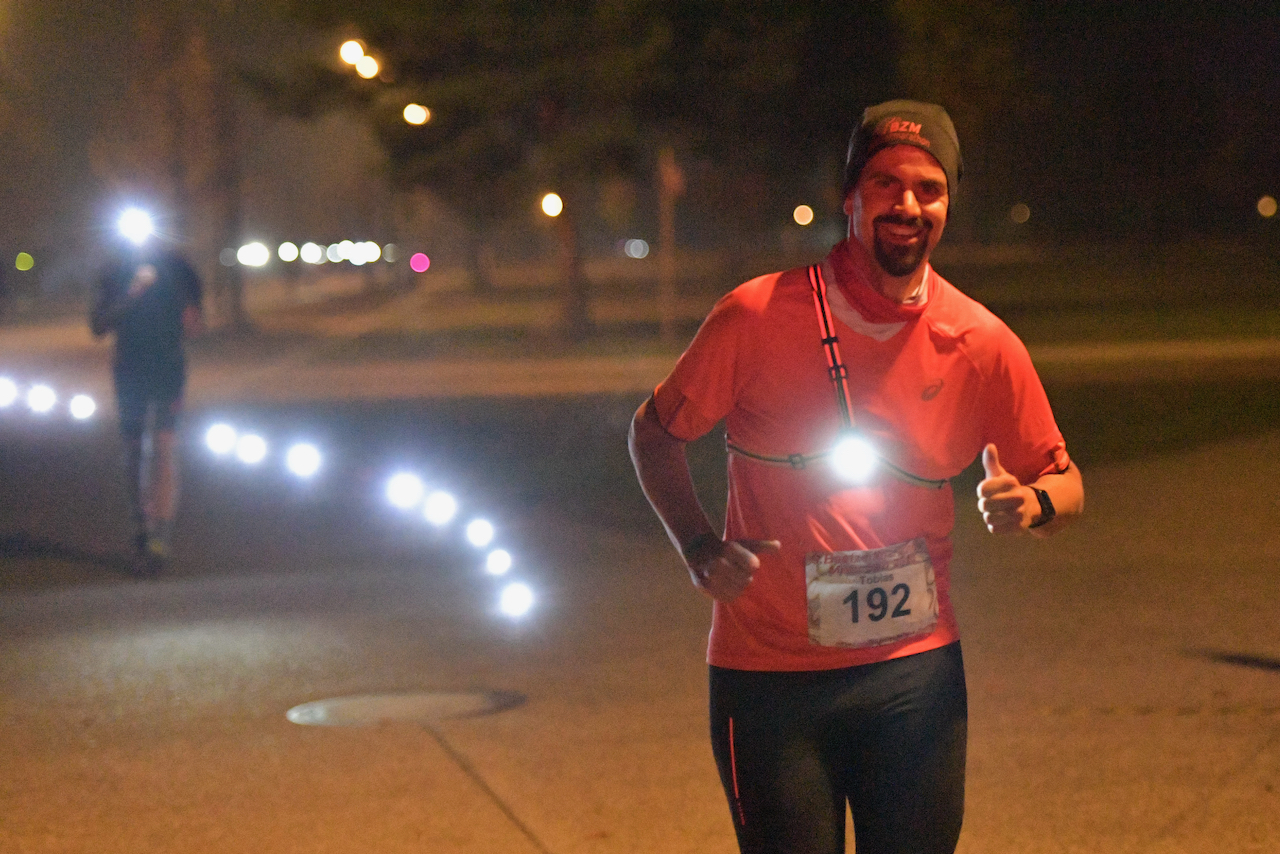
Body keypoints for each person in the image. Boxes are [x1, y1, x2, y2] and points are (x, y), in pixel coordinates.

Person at [628, 100, 1083, 854]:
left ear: (947, 206)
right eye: (885, 184)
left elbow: (1067, 487)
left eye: (928, 189)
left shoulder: (981, 341)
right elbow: (652, 432)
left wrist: (1033, 503)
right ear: (851, 197)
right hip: (769, 680)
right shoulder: (755, 315)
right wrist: (697, 543)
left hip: (915, 681)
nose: (907, 205)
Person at [90, 220, 203, 573]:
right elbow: (98, 326)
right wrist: (133, 294)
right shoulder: (113, 271)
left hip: (168, 368)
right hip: (130, 369)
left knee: (166, 445)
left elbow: (196, 323)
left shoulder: (181, 268)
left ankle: (161, 535)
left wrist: (188, 316)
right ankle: (142, 524)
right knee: (135, 449)